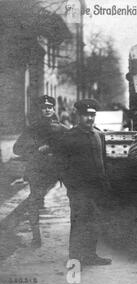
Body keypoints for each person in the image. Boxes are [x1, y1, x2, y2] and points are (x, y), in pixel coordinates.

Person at [58, 99, 112, 267]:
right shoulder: (70, 137)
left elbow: (102, 161)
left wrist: (105, 184)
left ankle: (90, 255)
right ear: (78, 116)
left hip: (97, 189)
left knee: (94, 222)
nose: (90, 119)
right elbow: (62, 165)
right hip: (79, 190)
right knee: (79, 223)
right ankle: (75, 259)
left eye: (92, 115)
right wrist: (72, 187)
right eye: (86, 115)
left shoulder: (98, 135)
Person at [13, 95, 69, 247]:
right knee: (34, 201)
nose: (47, 110)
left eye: (50, 107)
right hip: (38, 168)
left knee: (76, 196)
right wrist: (36, 149)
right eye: (44, 108)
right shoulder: (33, 128)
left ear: (53, 108)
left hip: (57, 168)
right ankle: (36, 237)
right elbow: (17, 149)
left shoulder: (61, 128)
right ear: (40, 110)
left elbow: (71, 143)